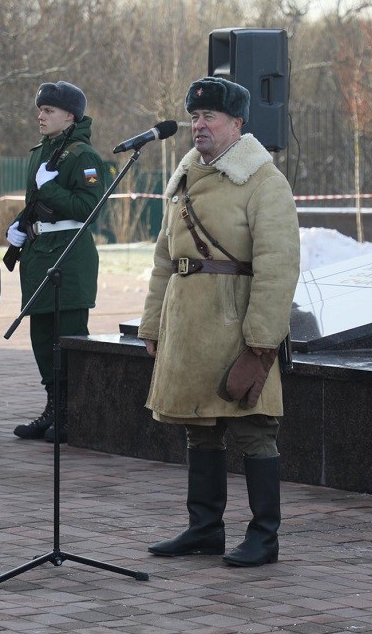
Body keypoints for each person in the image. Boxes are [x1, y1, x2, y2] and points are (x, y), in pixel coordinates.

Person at [138, 76, 299, 567]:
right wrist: (152, 324)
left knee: (254, 430)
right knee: (198, 428)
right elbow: (165, 259)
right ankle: (204, 529)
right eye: (194, 117)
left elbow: (279, 264)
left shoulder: (264, 181)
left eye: (209, 117)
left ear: (237, 124)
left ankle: (263, 537)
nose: (198, 125)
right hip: (188, 324)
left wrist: (262, 339)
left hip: (238, 325)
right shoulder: (184, 177)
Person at [7, 81, 105, 444]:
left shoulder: (83, 156)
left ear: (70, 116)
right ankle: (53, 405)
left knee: (67, 336)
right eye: (40, 109)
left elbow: (89, 209)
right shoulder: (41, 152)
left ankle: (71, 410)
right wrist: (20, 224)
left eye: (48, 110)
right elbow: (38, 203)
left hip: (69, 255)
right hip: (40, 253)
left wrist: (50, 189)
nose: (41, 115)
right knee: (42, 336)